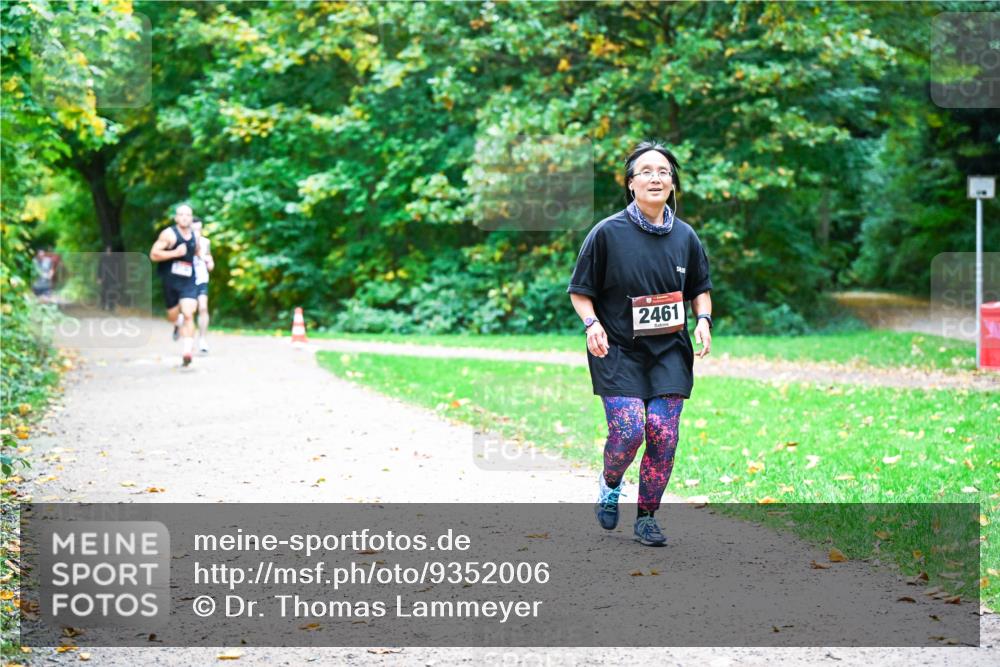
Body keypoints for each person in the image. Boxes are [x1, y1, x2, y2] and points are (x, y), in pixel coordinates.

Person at [567, 140, 713, 547]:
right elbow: (580, 291)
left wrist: (704, 319)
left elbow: (700, 288)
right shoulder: (606, 233)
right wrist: (592, 324)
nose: (655, 178)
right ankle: (610, 483)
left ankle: (647, 517)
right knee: (630, 430)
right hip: (617, 349)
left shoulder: (685, 236)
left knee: (663, 434)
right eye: (646, 171)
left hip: (669, 352)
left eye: (663, 172)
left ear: (672, 184)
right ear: (630, 183)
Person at [150, 204, 200, 366]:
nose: (185, 217)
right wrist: (175, 253)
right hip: (170, 280)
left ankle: (187, 351)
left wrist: (206, 259)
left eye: (188, 215)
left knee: (188, 313)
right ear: (176, 218)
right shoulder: (168, 234)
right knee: (172, 316)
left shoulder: (195, 235)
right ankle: (177, 324)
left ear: (191, 218)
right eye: (181, 214)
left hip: (188, 280)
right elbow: (153, 254)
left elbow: (197, 252)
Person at [191, 217, 214, 352]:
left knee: (203, 308)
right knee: (188, 311)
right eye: (194, 229)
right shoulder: (184, 242)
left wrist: (209, 262)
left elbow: (209, 259)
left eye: (199, 229)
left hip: (201, 278)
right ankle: (183, 331)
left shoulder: (206, 242)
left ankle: (202, 339)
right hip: (187, 279)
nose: (197, 232)